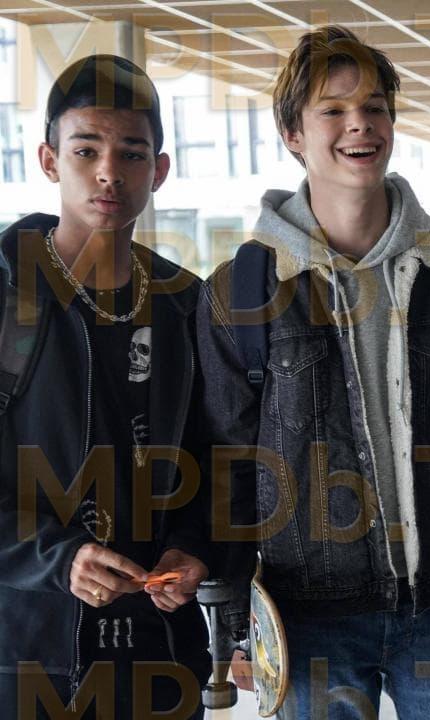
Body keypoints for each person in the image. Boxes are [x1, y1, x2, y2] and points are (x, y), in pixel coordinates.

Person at [196, 26, 430, 719]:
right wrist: (234, 624)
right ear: (293, 134)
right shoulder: (241, 290)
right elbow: (227, 468)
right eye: (334, 110)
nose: (360, 124)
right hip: (306, 622)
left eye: (375, 107)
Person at [0, 55, 217, 718]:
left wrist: (196, 550)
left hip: (159, 653)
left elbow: (219, 461)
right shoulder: (8, 297)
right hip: (25, 654)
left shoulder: (187, 305)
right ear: (48, 160)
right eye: (86, 149)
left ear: (159, 170)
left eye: (131, 153)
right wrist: (57, 559)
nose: (108, 172)